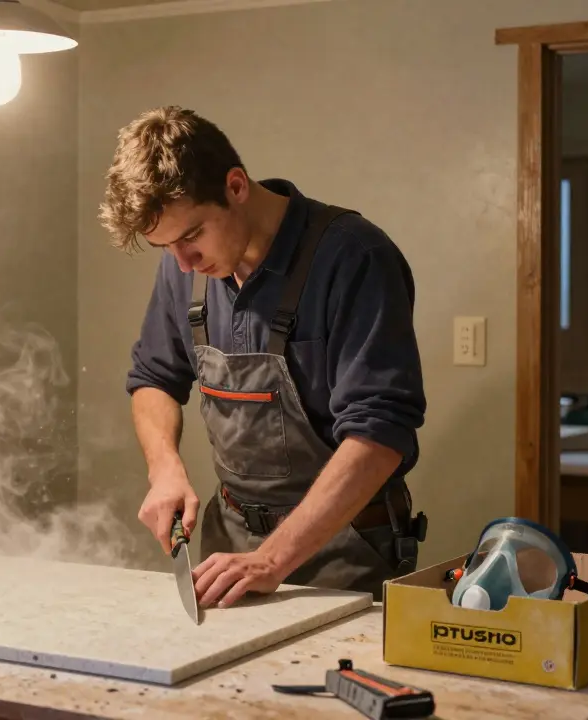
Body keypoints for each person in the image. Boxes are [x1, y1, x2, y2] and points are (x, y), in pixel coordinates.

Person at [98, 106, 428, 606]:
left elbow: (380, 433)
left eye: (191, 236)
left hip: (346, 547)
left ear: (235, 187)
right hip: (227, 543)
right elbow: (154, 379)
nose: (184, 262)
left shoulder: (353, 257)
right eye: (165, 247)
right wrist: (164, 467)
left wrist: (273, 558)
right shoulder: (186, 269)